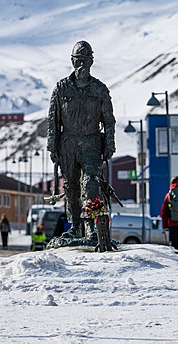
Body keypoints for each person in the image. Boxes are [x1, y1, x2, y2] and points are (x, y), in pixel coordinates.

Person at [47, 41, 116, 241]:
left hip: (91, 142)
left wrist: (109, 144)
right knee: (71, 187)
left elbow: (109, 120)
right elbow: (53, 119)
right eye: (78, 60)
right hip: (67, 143)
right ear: (72, 61)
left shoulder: (99, 89)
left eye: (86, 60)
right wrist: (52, 146)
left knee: (91, 183)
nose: (82, 64)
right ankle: (75, 226)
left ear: (91, 62)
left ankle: (91, 226)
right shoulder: (61, 88)